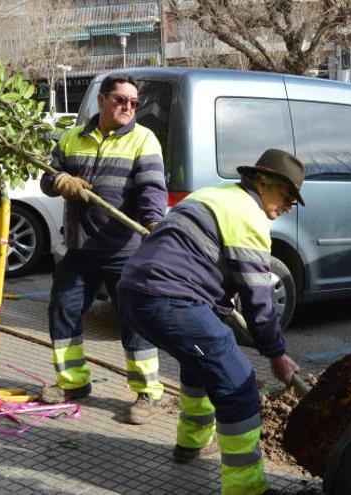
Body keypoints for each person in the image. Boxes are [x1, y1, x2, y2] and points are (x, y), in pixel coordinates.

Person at [117, 149, 303, 495]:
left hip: (133, 293)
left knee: (199, 363)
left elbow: (201, 270)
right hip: (170, 299)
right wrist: (276, 355)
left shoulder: (211, 195)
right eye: (287, 195)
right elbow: (258, 303)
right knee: (239, 385)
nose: (289, 206)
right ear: (262, 184)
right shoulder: (249, 216)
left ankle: (192, 442)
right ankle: (246, 488)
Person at [39, 75, 167, 425]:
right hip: (79, 249)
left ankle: (147, 393)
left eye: (134, 102)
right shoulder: (71, 137)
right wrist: (58, 181)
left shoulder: (143, 140)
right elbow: (48, 177)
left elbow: (153, 190)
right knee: (62, 311)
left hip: (125, 251)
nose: (128, 107)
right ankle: (73, 383)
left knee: (134, 320)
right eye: (121, 99)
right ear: (102, 100)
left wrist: (155, 223)